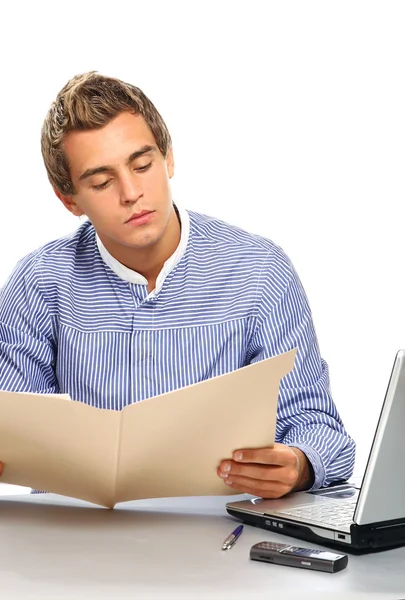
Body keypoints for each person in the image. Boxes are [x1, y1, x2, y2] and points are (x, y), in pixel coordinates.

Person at [0, 72, 355, 498]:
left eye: (142, 164)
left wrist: (298, 465)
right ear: (69, 199)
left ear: (169, 159)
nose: (132, 193)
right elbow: (15, 428)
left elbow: (319, 427)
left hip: (224, 540)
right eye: (101, 181)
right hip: (77, 541)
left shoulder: (259, 270)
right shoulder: (38, 283)